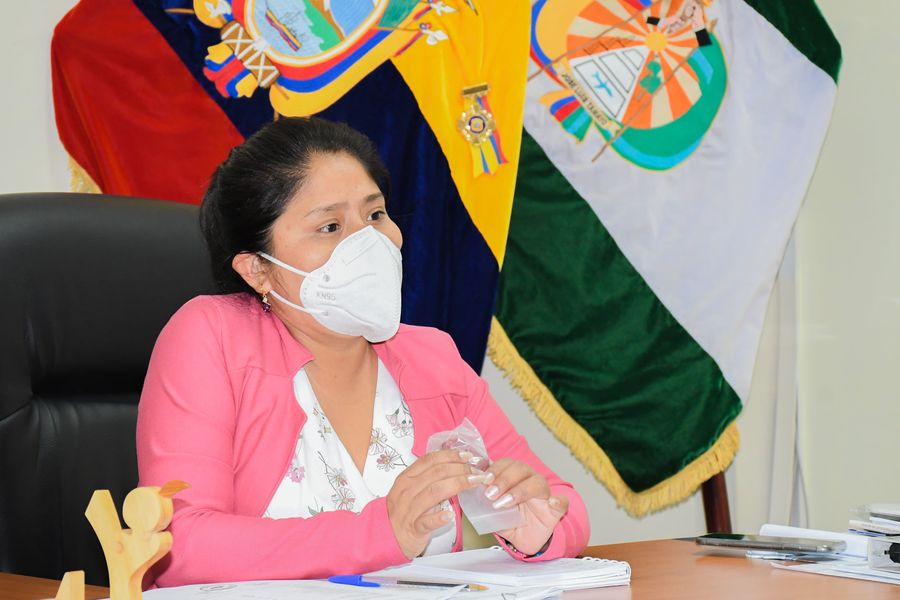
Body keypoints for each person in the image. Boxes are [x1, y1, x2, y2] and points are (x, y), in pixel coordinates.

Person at [136, 117, 590, 587]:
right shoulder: (212, 335)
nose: (368, 242)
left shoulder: (431, 356)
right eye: (330, 226)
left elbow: (563, 503)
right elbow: (177, 545)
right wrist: (383, 532)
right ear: (257, 270)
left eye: (375, 216)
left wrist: (538, 528)